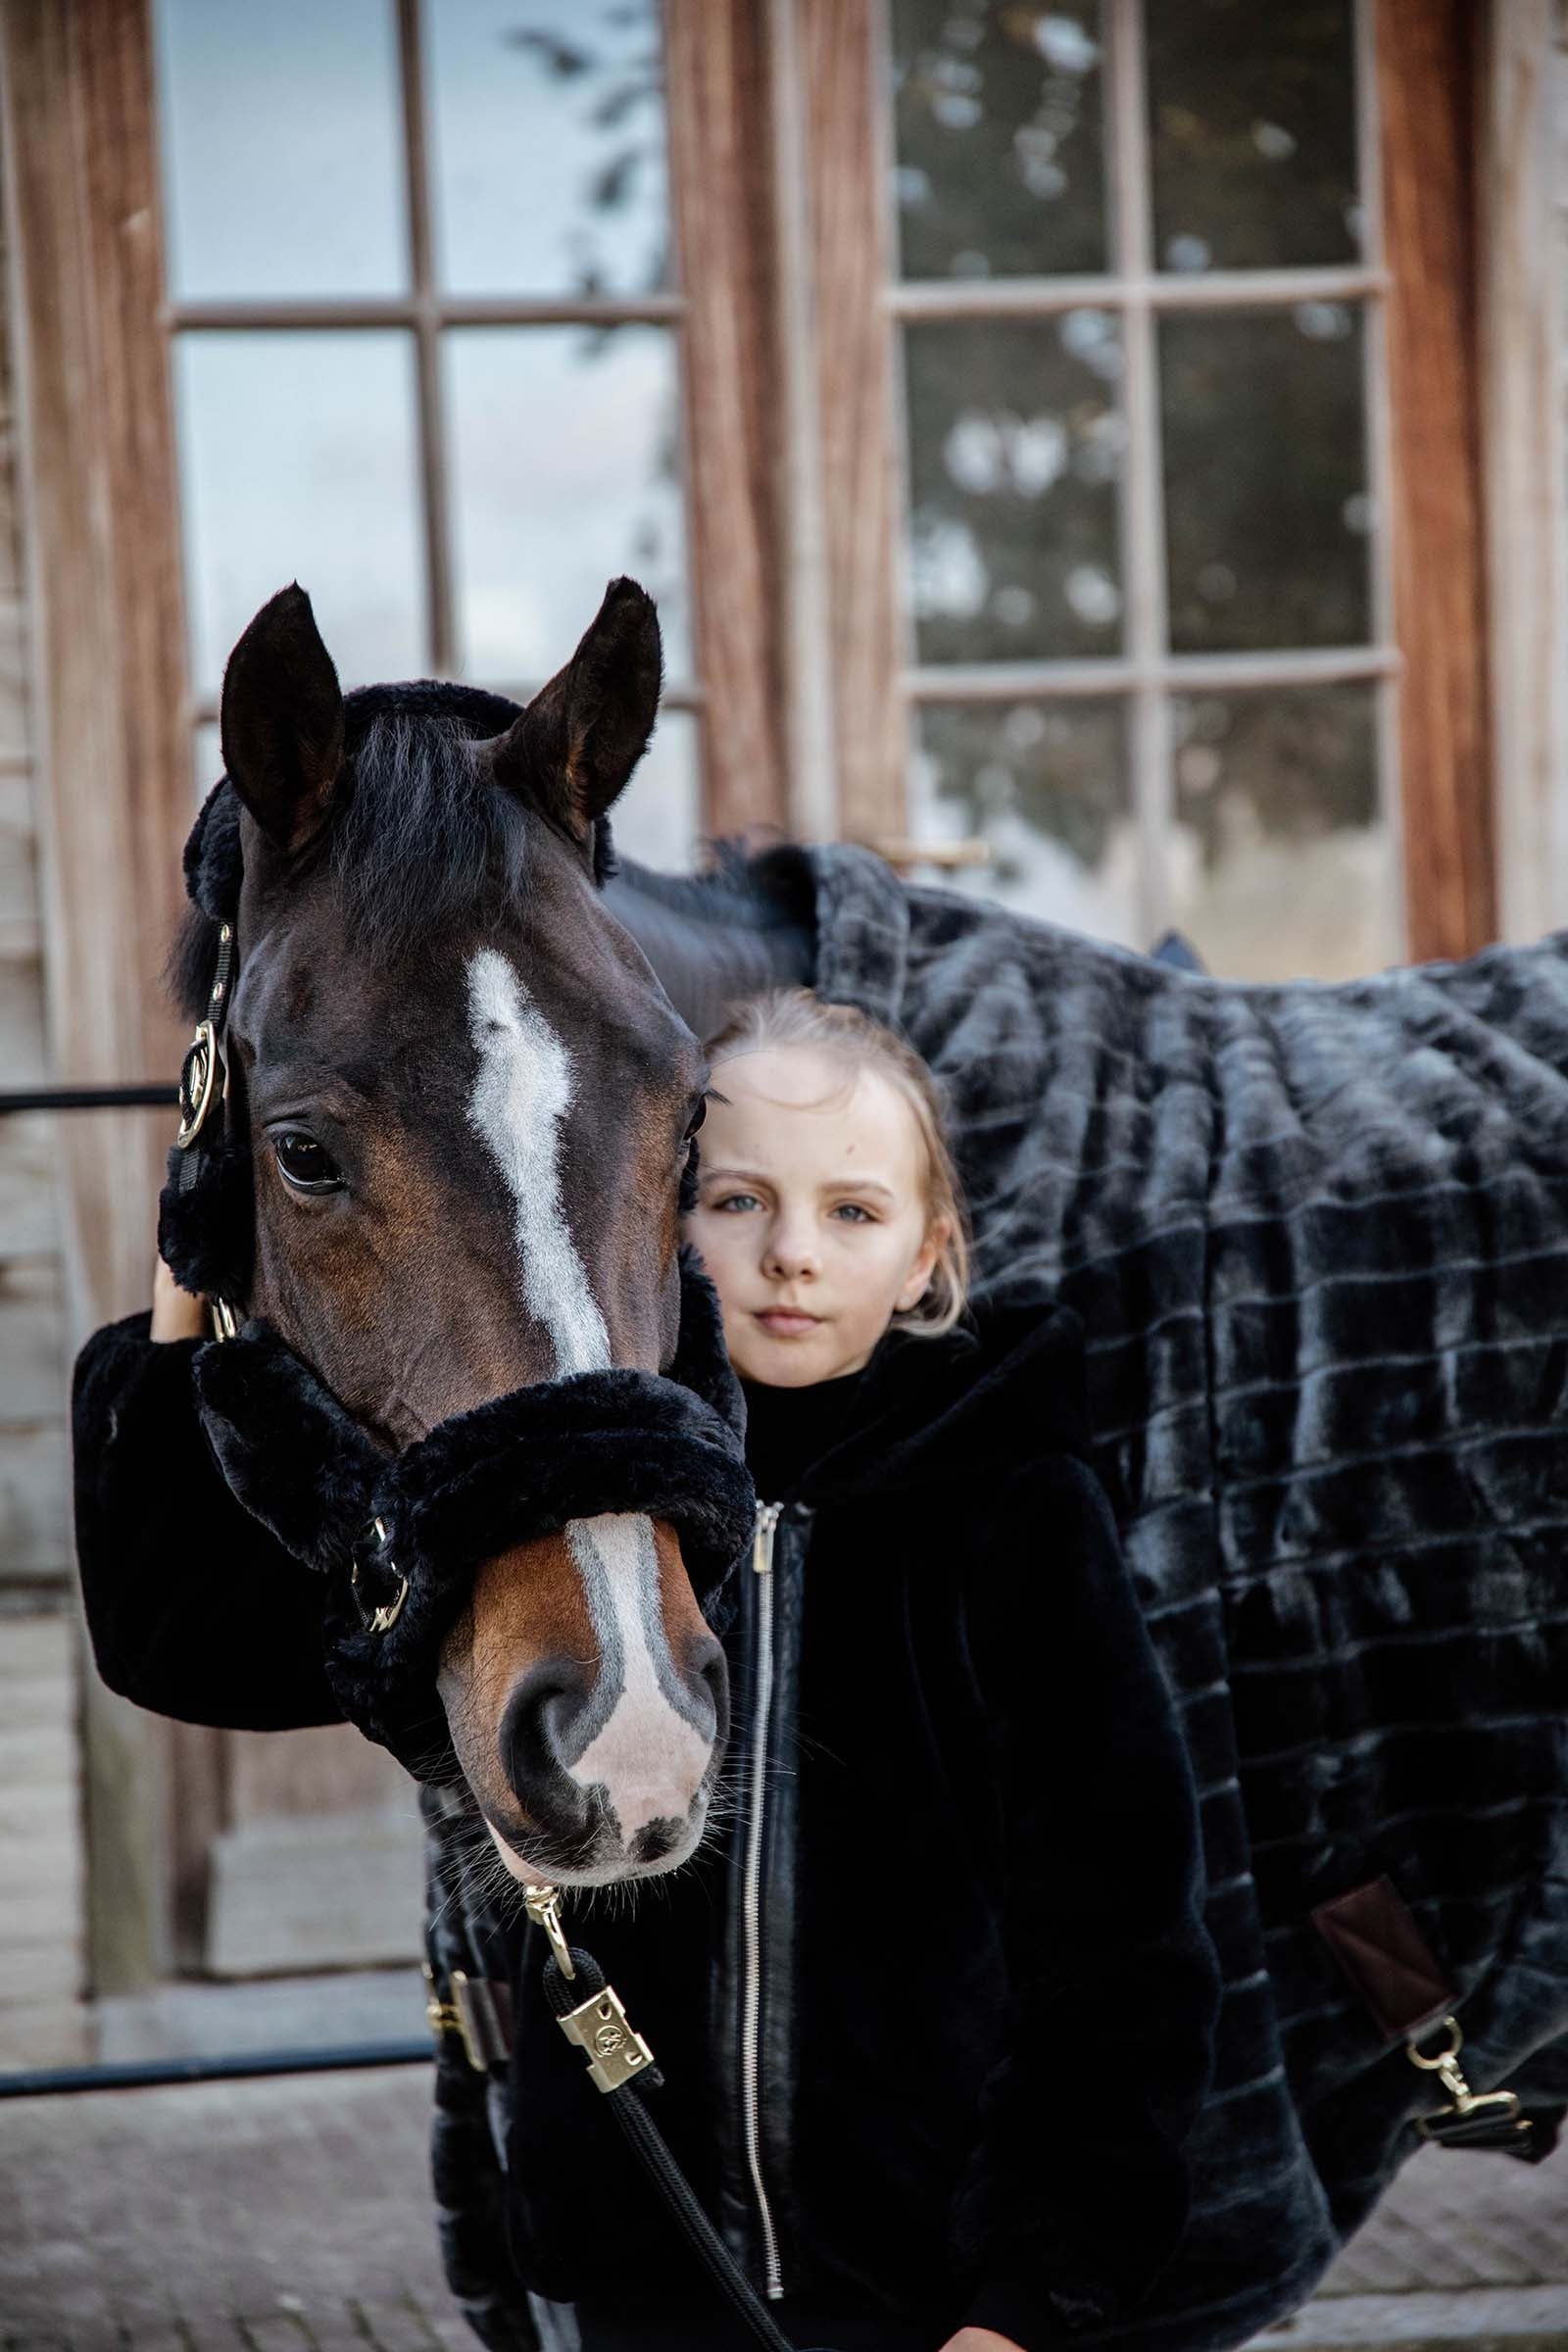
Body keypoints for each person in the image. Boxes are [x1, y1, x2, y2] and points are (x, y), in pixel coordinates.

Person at [71, 988, 1219, 2352]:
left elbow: (1124, 1946)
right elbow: (182, 1635)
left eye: (853, 1211)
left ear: (930, 1255)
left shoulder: (1015, 1505)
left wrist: (1037, 2299)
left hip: (937, 2292)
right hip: (629, 2279)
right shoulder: (548, 1498)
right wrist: (193, 1252)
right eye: (736, 1201)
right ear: (654, 1219)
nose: (793, 1254)